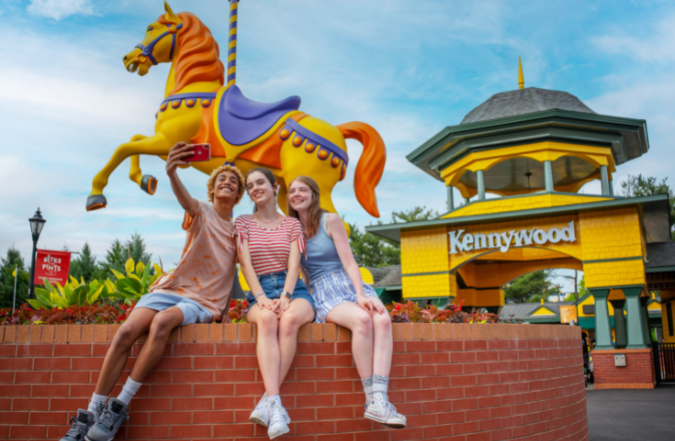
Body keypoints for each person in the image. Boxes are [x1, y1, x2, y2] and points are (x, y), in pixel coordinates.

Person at [61, 142, 244, 441]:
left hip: (202, 301)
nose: (227, 182)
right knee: (125, 333)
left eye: (233, 181)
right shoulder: (201, 210)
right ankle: (91, 413)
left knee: (161, 324)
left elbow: (232, 272)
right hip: (171, 288)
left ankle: (119, 407)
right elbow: (185, 200)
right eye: (221, 179)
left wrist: (224, 312)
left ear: (238, 194)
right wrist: (171, 172)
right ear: (212, 190)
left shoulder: (239, 230)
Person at [288, 176, 406, 429]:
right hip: (323, 291)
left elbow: (350, 261)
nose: (296, 194)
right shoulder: (291, 229)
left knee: (382, 320)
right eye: (292, 191)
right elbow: (302, 273)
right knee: (362, 320)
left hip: (350, 283)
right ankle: (371, 400)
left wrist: (361, 294)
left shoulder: (329, 220)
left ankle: (379, 400)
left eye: (302, 190)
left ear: (313, 194)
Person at [236, 168, 315, 440]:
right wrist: (260, 297)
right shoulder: (243, 221)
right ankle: (276, 404)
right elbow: (244, 262)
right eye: (249, 186)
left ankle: (269, 402)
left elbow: (295, 264)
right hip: (259, 288)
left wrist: (286, 296)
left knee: (290, 319)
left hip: (293, 290)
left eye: (260, 182)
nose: (255, 188)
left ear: (273, 187)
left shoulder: (292, 224)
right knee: (268, 320)